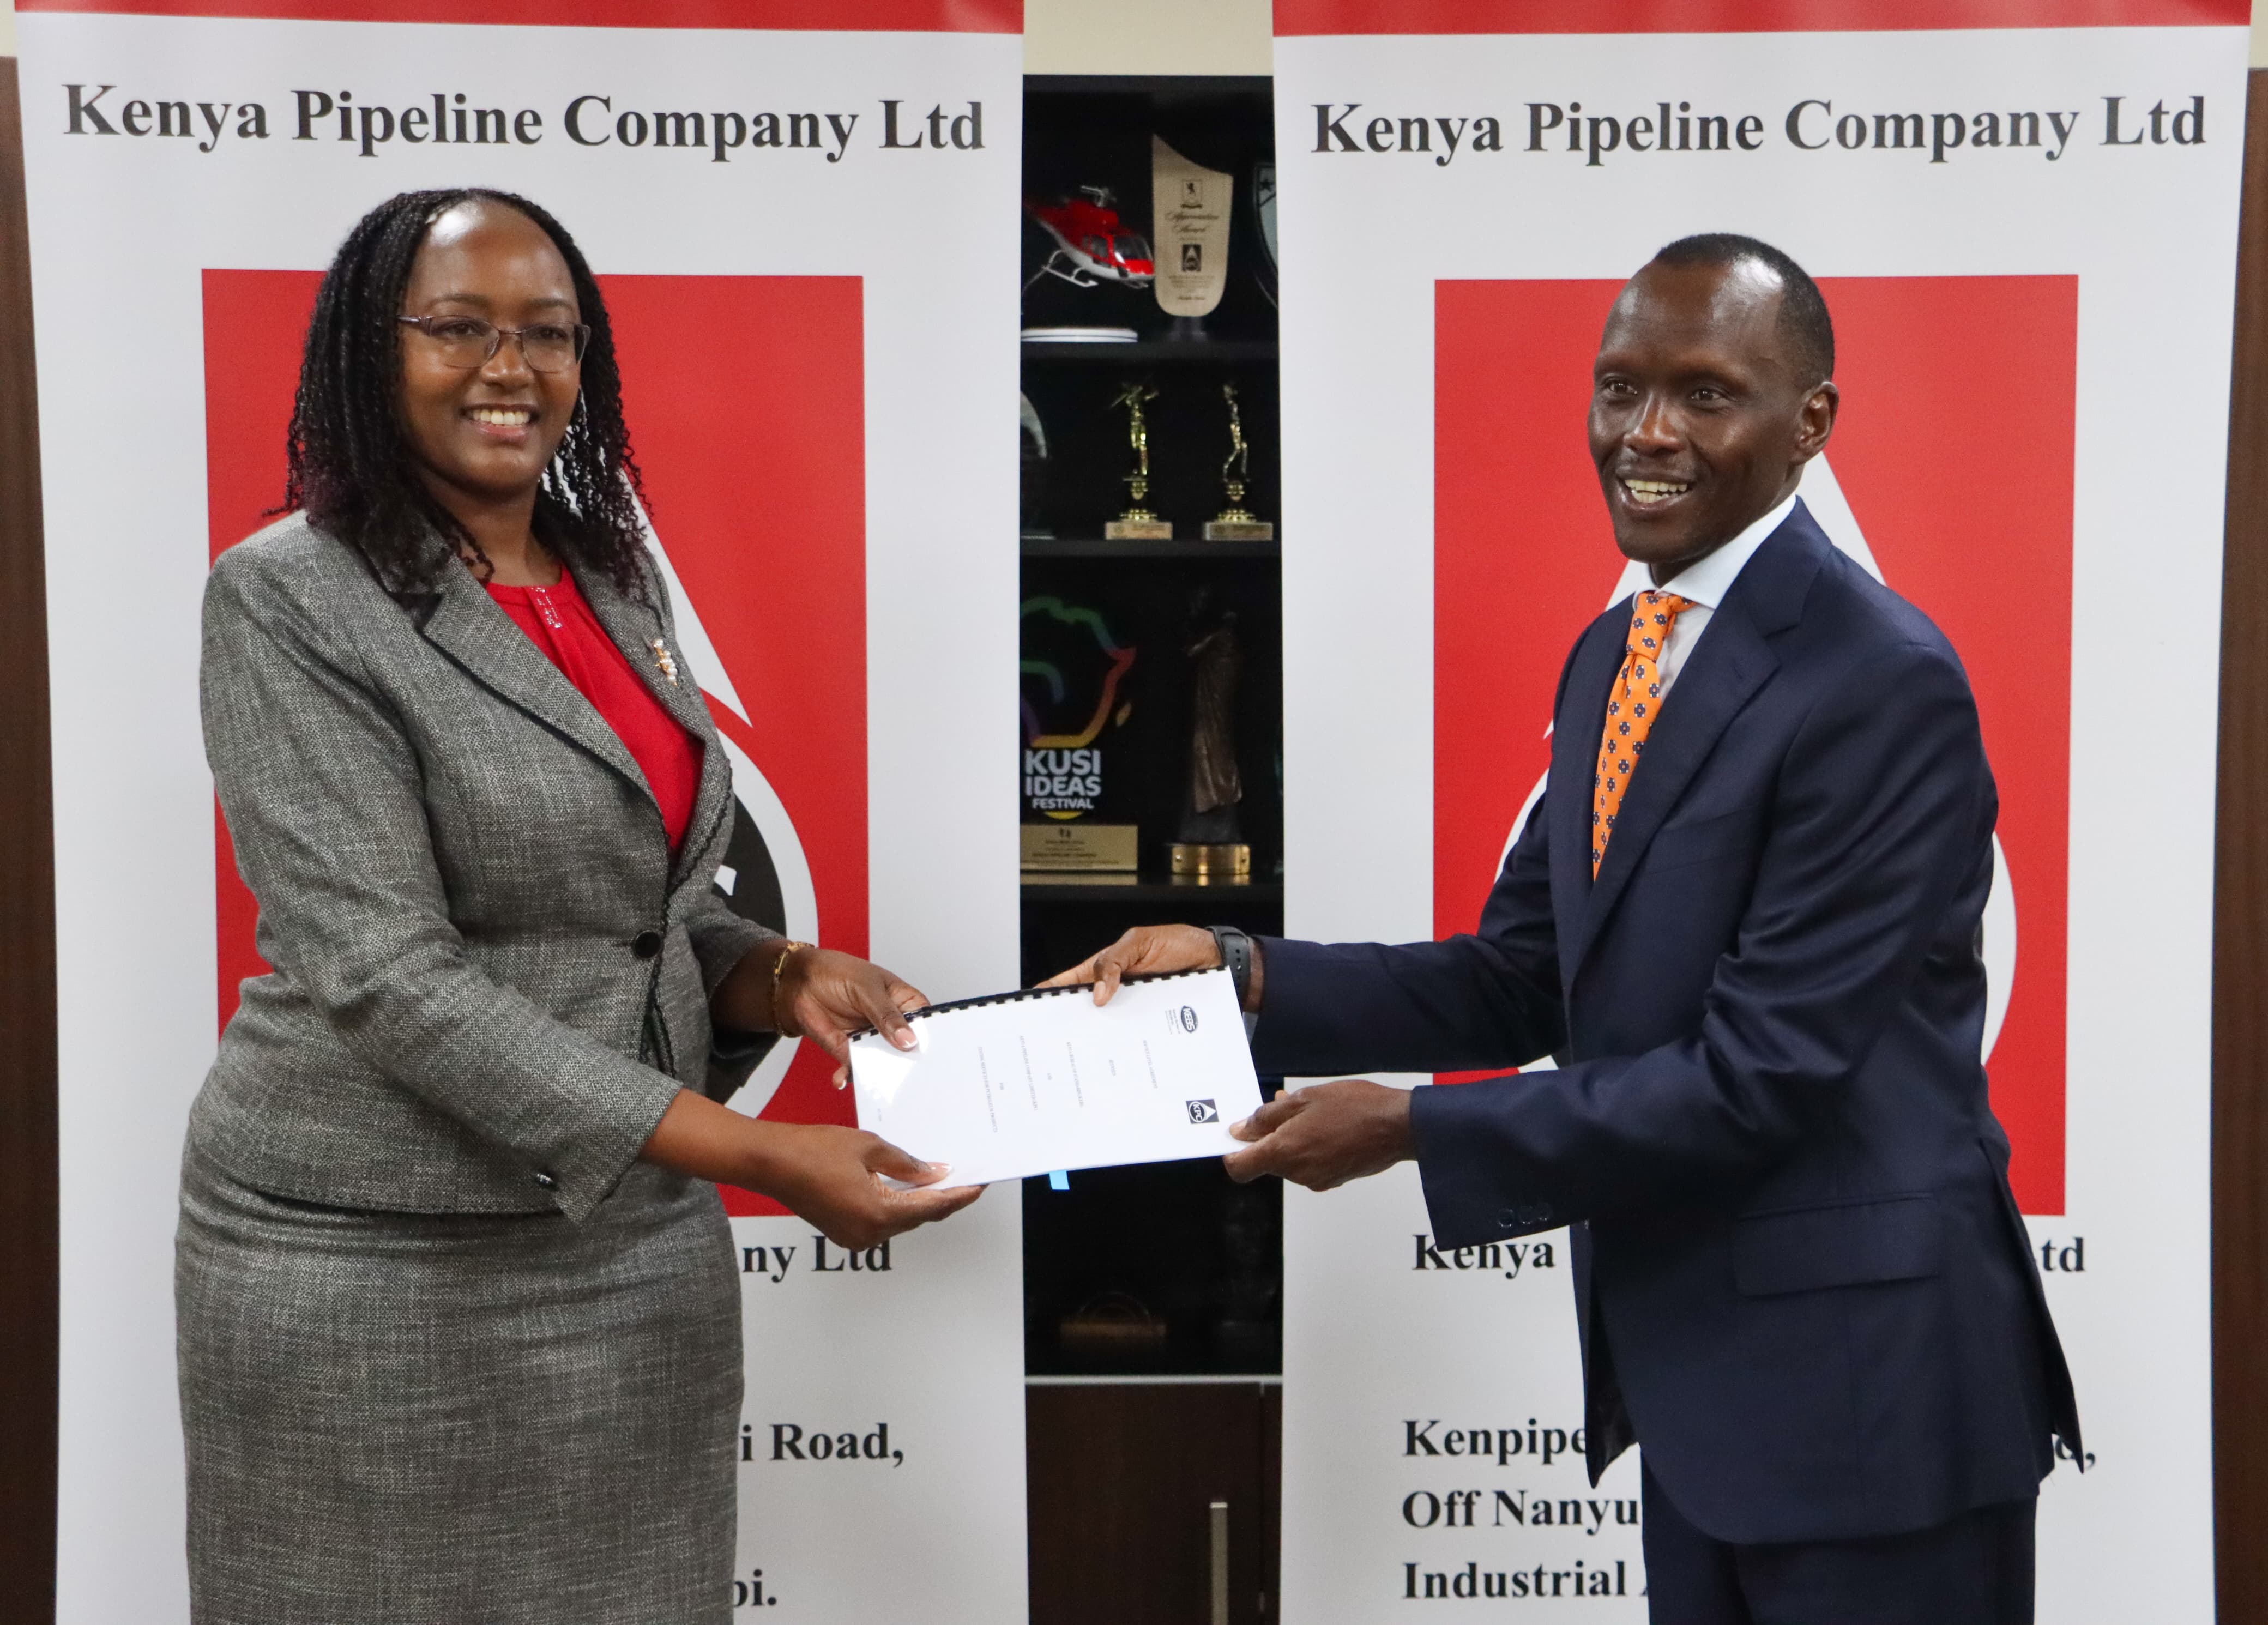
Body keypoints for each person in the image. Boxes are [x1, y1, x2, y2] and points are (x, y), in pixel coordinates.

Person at [1049, 234, 2079, 1624]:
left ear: (1811, 424)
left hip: (1869, 1403)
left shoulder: (1879, 681)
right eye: (1618, 388)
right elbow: (1523, 977)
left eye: (1705, 394)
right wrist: (1237, 972)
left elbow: (1760, 1073)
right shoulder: (1619, 652)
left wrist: (1412, 1129)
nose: (1645, 434)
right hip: (1700, 1390)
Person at [183, 188, 979, 1624]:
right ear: (370, 350)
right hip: (374, 1253)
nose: (512, 366)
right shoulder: (289, 597)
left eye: (548, 333)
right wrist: (766, 1152)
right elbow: (386, 974)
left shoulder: (608, 570)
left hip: (627, 1240)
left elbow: (639, 905)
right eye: (458, 328)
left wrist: (785, 972)